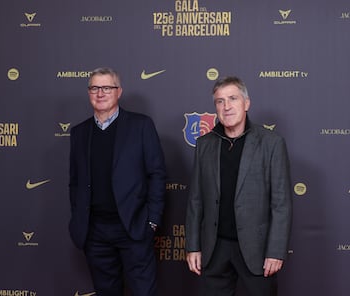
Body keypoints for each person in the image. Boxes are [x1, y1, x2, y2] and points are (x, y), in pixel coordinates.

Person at [185, 76, 292, 296]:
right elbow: (195, 201)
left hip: (258, 251)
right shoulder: (204, 144)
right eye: (220, 101)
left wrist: (275, 251)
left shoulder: (271, 143)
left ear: (246, 103)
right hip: (215, 249)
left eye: (232, 99)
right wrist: (193, 246)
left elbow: (281, 204)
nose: (226, 106)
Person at [69, 67, 166, 296]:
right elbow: (74, 182)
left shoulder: (141, 125)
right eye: (94, 88)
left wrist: (152, 221)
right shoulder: (79, 133)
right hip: (95, 233)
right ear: (89, 92)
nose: (100, 93)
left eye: (107, 88)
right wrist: (79, 220)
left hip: (133, 228)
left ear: (119, 91)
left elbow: (157, 174)